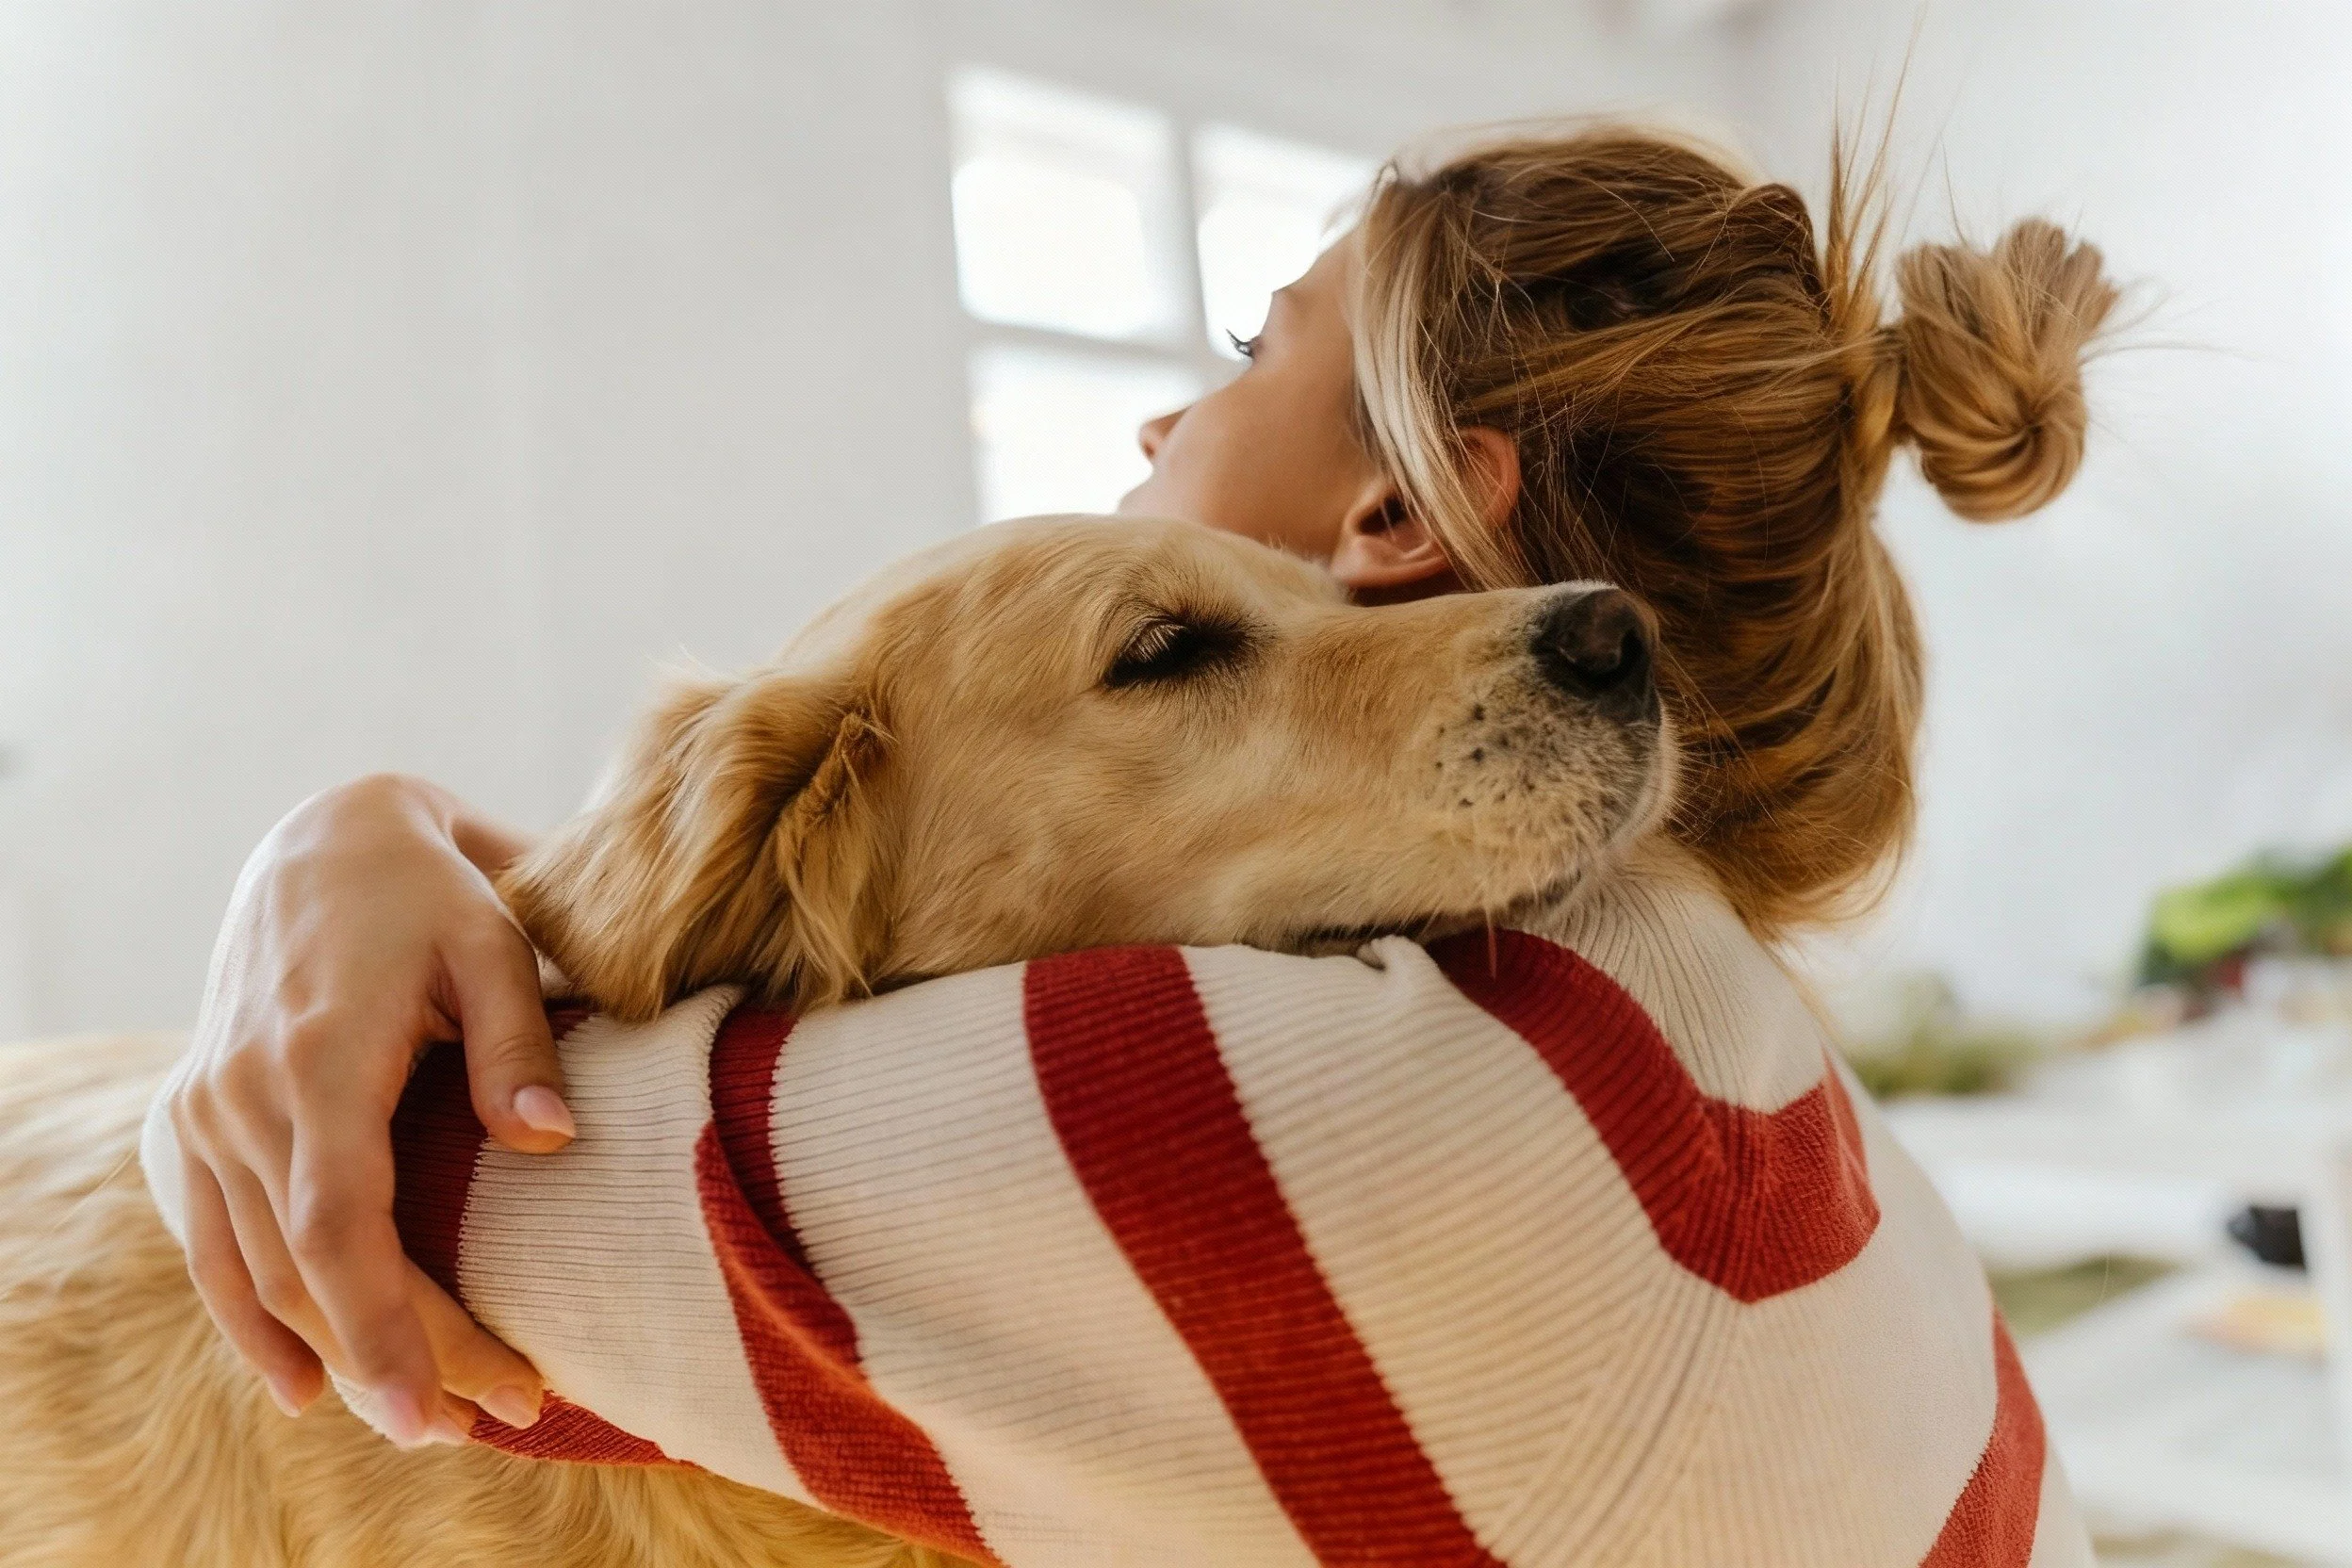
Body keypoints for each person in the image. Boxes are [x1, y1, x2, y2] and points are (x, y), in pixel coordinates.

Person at [157, 123, 2118, 1559]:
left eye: (1252, 349)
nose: (1158, 419)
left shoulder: (1352, 1117)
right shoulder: (1702, 1026)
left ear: (1394, 525)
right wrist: (396, 831)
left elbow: (361, 1227)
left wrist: (330, 863)